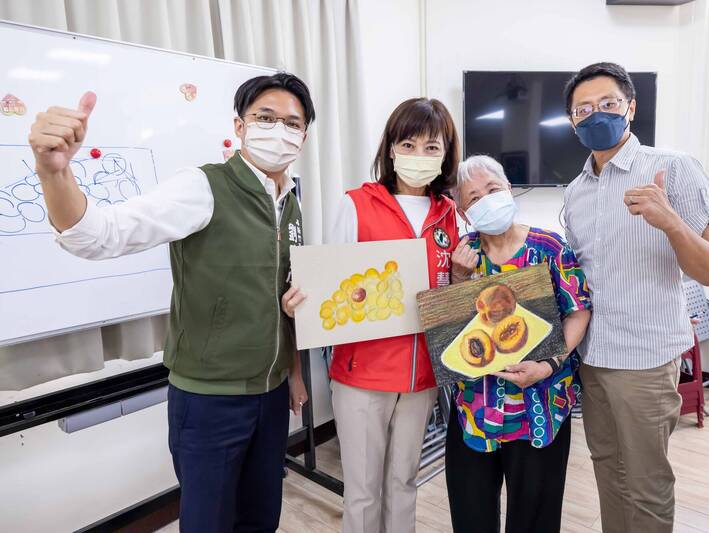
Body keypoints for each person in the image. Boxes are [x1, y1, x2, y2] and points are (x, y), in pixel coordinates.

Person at [27, 73, 315, 533]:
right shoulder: (203, 187)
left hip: (272, 394)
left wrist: (294, 372)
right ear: (240, 126)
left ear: (304, 136)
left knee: (261, 519)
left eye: (292, 123)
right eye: (266, 118)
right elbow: (98, 236)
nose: (279, 130)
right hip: (210, 399)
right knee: (207, 523)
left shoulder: (291, 204)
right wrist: (54, 172)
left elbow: (284, 297)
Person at [562, 62, 709, 533]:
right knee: (607, 470)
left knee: (647, 484)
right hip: (593, 357)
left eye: (607, 103)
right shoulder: (575, 192)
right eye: (582, 109)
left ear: (630, 108)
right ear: (572, 122)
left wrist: (670, 221)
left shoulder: (671, 168)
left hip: (645, 359)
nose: (595, 115)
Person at [328, 97, 461, 533]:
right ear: (390, 148)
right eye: (408, 144)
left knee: (403, 483)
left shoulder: (450, 214)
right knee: (363, 491)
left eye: (431, 147)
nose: (419, 156)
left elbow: (453, 293)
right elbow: (333, 286)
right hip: (363, 373)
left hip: (422, 376)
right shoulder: (356, 204)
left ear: (445, 155)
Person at [446, 154, 592, 533]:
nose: (486, 200)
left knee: (535, 520)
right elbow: (449, 330)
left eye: (492, 189)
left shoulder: (549, 247)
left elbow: (578, 312)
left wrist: (547, 365)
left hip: (540, 407)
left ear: (509, 190)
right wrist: (458, 279)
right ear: (463, 212)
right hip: (475, 411)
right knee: (471, 516)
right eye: (473, 198)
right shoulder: (462, 255)